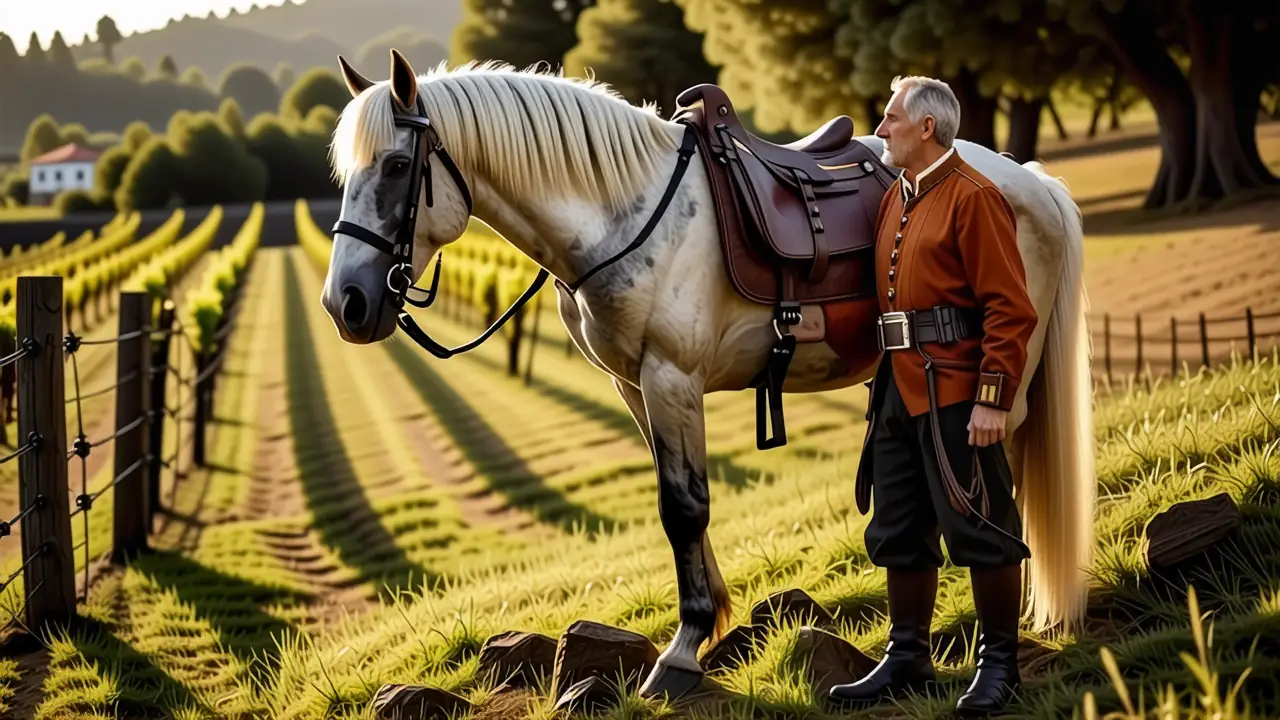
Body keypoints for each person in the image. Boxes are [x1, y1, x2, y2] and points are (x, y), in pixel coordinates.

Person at [827, 76, 1038, 716]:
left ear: (926, 128)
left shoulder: (975, 196)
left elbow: (1010, 308)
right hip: (894, 389)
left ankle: (1001, 664)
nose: (881, 128)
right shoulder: (897, 197)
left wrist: (994, 398)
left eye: (891, 119)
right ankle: (907, 656)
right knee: (896, 524)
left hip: (956, 385)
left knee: (979, 522)